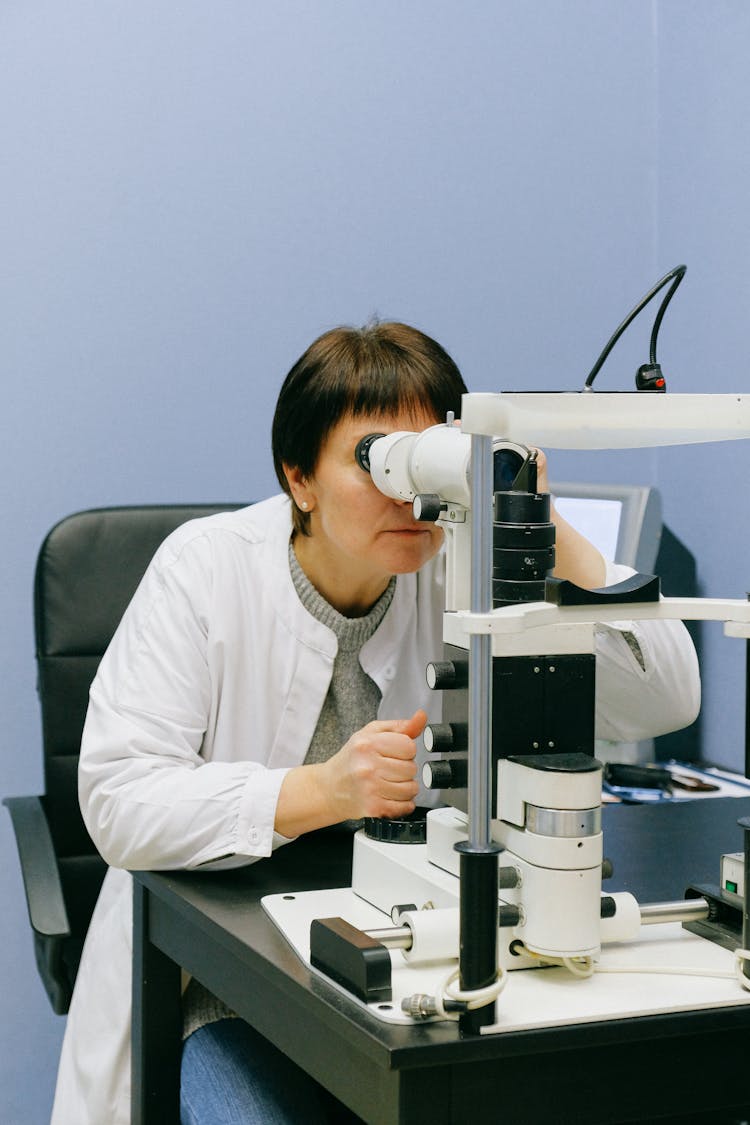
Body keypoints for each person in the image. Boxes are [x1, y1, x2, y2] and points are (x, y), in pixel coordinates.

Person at [51, 321, 700, 1124]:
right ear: (300, 477)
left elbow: (666, 695)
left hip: (421, 980)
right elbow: (118, 799)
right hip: (235, 988)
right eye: (376, 458)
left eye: (430, 456)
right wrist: (319, 791)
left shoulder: (461, 568)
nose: (409, 491)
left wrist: (543, 523)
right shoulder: (204, 569)